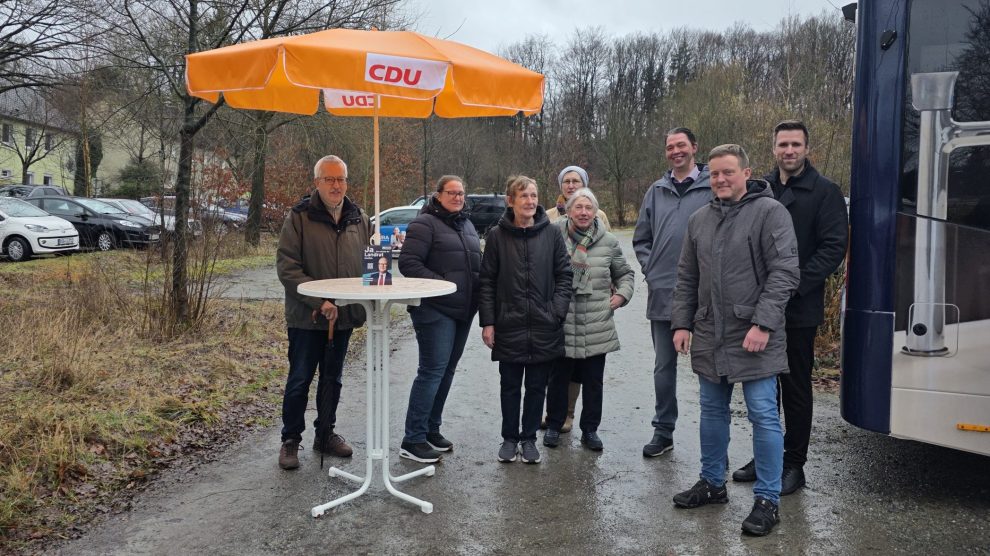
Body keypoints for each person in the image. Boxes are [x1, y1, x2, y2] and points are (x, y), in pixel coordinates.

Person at [669, 144, 799, 537]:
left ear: (746, 172)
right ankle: (712, 483)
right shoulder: (699, 219)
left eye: (729, 172)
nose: (721, 179)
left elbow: (785, 272)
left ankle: (768, 499)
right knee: (711, 411)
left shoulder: (770, 212)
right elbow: (686, 277)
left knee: (762, 413)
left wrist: (763, 324)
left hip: (756, 334)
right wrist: (681, 323)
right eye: (716, 173)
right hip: (710, 332)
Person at [732, 120, 849, 495]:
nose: (789, 151)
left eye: (796, 144)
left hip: (798, 307)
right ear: (773, 149)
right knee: (762, 386)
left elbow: (833, 248)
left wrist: (791, 285)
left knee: (795, 387)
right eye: (783, 144)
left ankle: (793, 463)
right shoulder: (759, 190)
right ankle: (766, 455)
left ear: (806, 148)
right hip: (757, 304)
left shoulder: (825, 192)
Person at [275, 155, 370, 470]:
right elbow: (288, 268)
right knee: (300, 379)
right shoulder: (300, 217)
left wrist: (388, 252)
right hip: (308, 317)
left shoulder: (360, 219)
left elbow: (370, 265)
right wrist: (319, 302)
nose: (336, 185)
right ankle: (291, 440)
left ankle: (325, 434)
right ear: (316, 182)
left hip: (342, 318)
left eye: (341, 179)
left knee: (333, 378)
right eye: (329, 179)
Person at [479, 175, 572, 465]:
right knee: (509, 386)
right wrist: (489, 322)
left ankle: (529, 438)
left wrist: (556, 311)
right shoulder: (496, 236)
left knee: (536, 387)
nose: (530, 201)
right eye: (524, 196)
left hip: (545, 324)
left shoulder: (553, 234)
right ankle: (509, 438)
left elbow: (565, 275)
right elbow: (487, 282)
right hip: (509, 324)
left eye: (533, 195)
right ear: (511, 201)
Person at [632, 127, 713, 458]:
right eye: (670, 147)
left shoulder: (713, 186)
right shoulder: (656, 190)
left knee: (712, 367)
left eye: (681, 145)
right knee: (664, 366)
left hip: (707, 293)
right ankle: (663, 430)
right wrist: (652, 269)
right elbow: (640, 239)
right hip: (664, 291)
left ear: (695, 147)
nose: (676, 151)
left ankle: (714, 440)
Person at [397, 175, 482, 463]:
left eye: (461, 193)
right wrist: (442, 285)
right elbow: (409, 263)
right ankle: (413, 438)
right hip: (435, 309)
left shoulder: (467, 224)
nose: (458, 197)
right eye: (452, 192)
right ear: (438, 194)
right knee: (432, 371)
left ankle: (431, 429)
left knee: (447, 371)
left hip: (463, 310)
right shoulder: (424, 224)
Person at [543, 188, 634, 451]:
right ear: (568, 210)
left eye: (588, 208)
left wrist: (621, 297)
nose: (583, 212)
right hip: (562, 320)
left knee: (593, 382)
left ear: (595, 212)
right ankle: (553, 425)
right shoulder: (554, 236)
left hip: (597, 322)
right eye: (578, 207)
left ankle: (590, 430)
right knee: (558, 379)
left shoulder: (609, 242)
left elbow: (625, 275)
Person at [543, 165, 611, 434]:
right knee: (557, 363)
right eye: (567, 181)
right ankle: (554, 414)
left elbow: (607, 254)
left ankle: (570, 416)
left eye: (576, 180)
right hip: (558, 300)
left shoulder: (599, 215)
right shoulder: (549, 216)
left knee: (585, 364)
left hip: (590, 299)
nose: (571, 185)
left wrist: (612, 293)